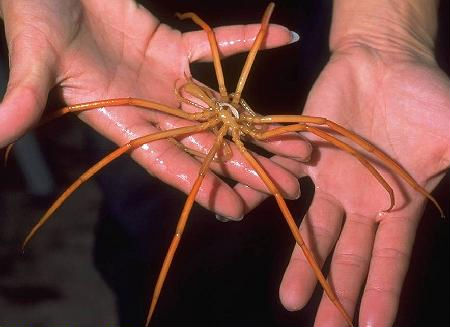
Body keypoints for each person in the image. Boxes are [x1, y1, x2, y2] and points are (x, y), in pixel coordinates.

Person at [0, 0, 448, 326]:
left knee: (323, 134)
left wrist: (386, 35)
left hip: (259, 86)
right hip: (138, 60)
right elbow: (139, 94)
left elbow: (331, 127)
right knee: (153, 208)